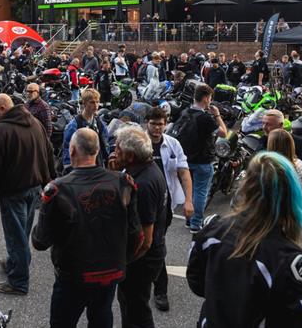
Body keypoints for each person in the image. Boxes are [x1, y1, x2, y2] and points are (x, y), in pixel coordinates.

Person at [187, 151, 302, 327]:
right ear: (291, 196)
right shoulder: (294, 264)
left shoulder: (211, 230)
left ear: (245, 187)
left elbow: (197, 283)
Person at [32, 128, 143, 328]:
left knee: (62, 322)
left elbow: (40, 241)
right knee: (102, 315)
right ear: (98, 150)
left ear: (72, 150)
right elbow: (136, 234)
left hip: (73, 277)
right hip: (110, 273)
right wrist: (122, 261)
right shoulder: (122, 182)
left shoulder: (57, 189)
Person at [0, 93, 56, 295]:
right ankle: (15, 263)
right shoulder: (35, 123)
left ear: (3, 108)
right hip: (35, 189)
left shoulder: (0, 132)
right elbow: (49, 152)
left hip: (13, 192)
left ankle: (18, 282)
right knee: (22, 233)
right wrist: (50, 182)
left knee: (16, 237)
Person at [111, 126, 167, 328]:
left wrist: (124, 262)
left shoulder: (143, 183)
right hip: (146, 256)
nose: (114, 151)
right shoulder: (144, 170)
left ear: (130, 155)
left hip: (142, 260)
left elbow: (146, 240)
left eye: (117, 148)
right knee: (129, 305)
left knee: (137, 311)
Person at [143, 107, 193, 313]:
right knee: (143, 244)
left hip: (165, 206)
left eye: (160, 124)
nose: (156, 128)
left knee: (156, 245)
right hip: (140, 203)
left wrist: (189, 200)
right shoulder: (138, 142)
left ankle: (160, 291)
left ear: (166, 124)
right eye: (153, 124)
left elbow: (184, 172)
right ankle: (140, 283)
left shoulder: (173, 145)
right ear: (147, 122)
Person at [175, 84, 227, 232]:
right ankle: (196, 223)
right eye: (210, 98)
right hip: (203, 160)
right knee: (200, 192)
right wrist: (217, 115)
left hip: (186, 159)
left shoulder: (185, 112)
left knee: (188, 190)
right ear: (205, 98)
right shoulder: (205, 118)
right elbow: (223, 133)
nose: (210, 101)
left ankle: (188, 219)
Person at [258, 109, 302, 209]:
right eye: (263, 123)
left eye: (268, 124)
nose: (264, 128)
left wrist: (296, 193)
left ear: (280, 125)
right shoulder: (263, 141)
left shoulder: (297, 142)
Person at [62, 88, 110, 168]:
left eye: (97, 102)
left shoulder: (99, 122)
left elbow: (106, 144)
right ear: (84, 103)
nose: (96, 105)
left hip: (98, 166)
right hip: (81, 168)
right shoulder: (74, 125)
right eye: (92, 102)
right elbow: (67, 149)